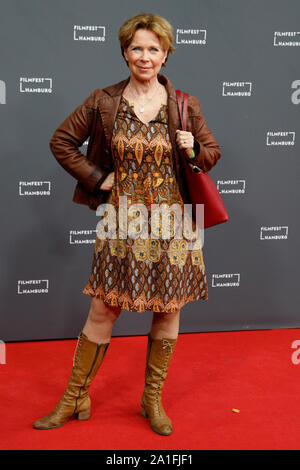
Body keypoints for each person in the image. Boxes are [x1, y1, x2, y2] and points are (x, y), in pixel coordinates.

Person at [33, 12, 221, 436]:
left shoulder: (184, 105)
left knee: (168, 308)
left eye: (153, 48)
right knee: (103, 308)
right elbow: (61, 141)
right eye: (136, 47)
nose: (144, 56)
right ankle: (74, 396)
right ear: (124, 52)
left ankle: (151, 400)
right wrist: (99, 178)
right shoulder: (104, 101)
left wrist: (194, 149)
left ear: (166, 54)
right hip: (122, 219)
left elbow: (210, 154)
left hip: (174, 223)